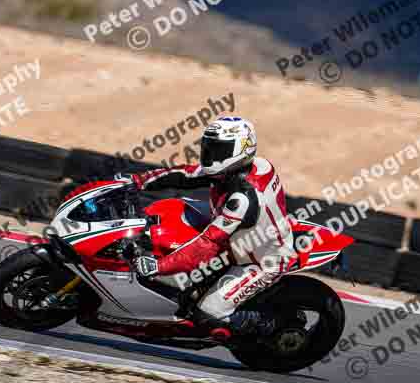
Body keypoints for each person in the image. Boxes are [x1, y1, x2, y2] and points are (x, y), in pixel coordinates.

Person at [121, 116, 297, 339]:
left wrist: (159, 266)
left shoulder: (242, 199)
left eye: (219, 150)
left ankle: (268, 327)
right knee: (170, 211)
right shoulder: (251, 165)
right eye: (209, 147)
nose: (210, 155)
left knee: (208, 315)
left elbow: (206, 247)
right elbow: (185, 175)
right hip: (238, 233)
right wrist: (137, 181)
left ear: (239, 151)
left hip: (260, 260)